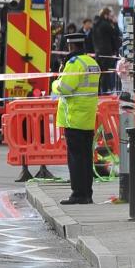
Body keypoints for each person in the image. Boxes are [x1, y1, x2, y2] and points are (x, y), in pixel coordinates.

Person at [52, 32, 101, 205]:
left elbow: (65, 88)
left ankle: (78, 194)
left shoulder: (74, 63)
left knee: (75, 159)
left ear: (71, 46)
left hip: (73, 117)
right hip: (87, 117)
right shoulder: (92, 62)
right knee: (86, 158)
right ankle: (87, 193)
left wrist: (55, 82)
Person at [89, 8, 121, 93]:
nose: (111, 17)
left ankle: (98, 91)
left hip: (98, 52)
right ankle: (104, 91)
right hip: (106, 52)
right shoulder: (105, 24)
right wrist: (115, 23)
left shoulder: (95, 24)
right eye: (110, 16)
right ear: (106, 15)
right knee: (105, 74)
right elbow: (116, 32)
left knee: (99, 74)